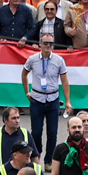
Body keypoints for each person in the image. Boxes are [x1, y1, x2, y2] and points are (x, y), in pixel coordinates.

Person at [23, 33, 69, 163]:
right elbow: (24, 74)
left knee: (52, 132)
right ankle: (36, 156)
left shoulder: (59, 60)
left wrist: (68, 101)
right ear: (40, 44)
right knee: (36, 132)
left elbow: (65, 81)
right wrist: (27, 92)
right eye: (45, 43)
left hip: (53, 99)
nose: (48, 46)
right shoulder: (32, 59)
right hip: (37, 99)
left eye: (50, 43)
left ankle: (49, 161)